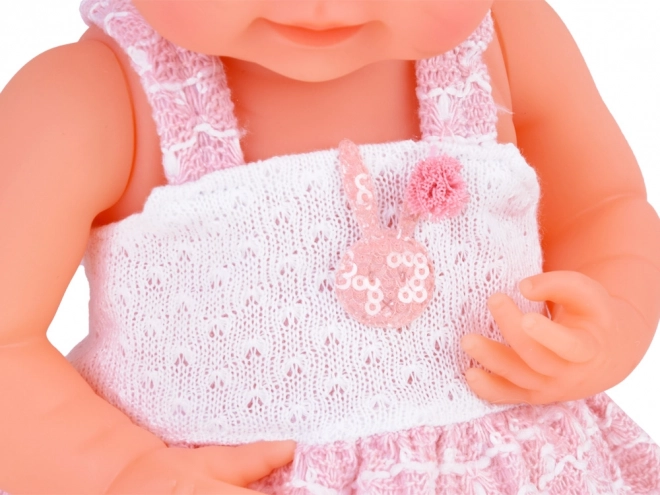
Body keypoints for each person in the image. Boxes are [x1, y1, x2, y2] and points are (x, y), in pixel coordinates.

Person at [1, 0, 659, 493]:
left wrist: (612, 320)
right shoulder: (93, 95)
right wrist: (123, 472)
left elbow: (603, 204)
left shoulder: (508, 40)